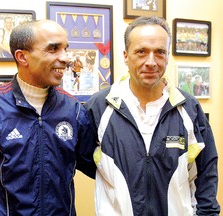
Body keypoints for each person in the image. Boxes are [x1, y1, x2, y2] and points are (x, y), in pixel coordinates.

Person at [0, 20, 97, 215]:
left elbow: (99, 167)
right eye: (53, 49)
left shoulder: (74, 110)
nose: (65, 58)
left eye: (66, 48)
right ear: (22, 57)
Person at [84, 16, 220, 215]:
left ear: (167, 56)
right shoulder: (99, 107)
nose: (151, 62)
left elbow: (206, 170)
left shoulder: (188, 108)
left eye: (159, 52)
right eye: (141, 52)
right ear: (126, 55)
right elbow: (87, 161)